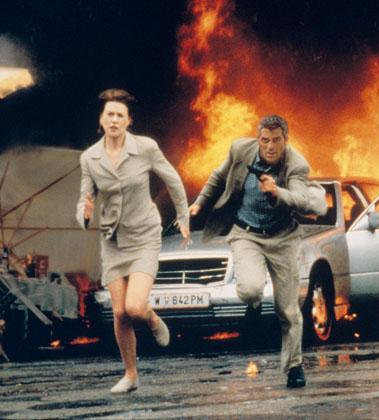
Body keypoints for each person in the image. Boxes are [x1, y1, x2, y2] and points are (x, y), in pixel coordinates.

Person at [189, 114, 326, 388]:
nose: (270, 146)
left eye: (276, 140)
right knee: (250, 289)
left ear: (286, 140)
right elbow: (218, 177)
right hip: (246, 233)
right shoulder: (241, 150)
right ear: (258, 139)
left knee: (288, 309)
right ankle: (253, 305)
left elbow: (301, 199)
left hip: (282, 238)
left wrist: (277, 192)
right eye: (265, 140)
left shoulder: (296, 164)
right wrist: (199, 203)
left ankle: (294, 366)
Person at [76, 89, 189, 394]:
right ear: (101, 120)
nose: (114, 120)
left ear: (129, 121)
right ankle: (130, 375)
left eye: (120, 115)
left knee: (135, 307)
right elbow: (84, 199)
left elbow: (173, 180)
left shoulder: (145, 148)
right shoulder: (90, 158)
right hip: (112, 240)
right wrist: (85, 214)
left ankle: (152, 319)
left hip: (144, 235)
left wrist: (183, 216)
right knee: (119, 312)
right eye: (109, 114)